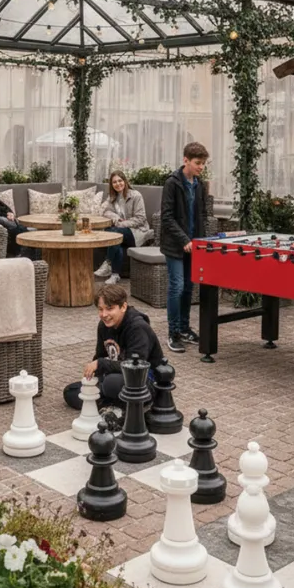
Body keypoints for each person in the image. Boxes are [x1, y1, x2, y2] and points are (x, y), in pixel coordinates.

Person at [63, 283, 163, 418]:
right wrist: (93, 375)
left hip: (144, 381)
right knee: (71, 392)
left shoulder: (138, 327)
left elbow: (136, 367)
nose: (104, 314)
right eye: (100, 309)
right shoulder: (103, 326)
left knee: (112, 383)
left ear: (123, 307)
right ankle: (113, 406)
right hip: (116, 376)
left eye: (109, 309)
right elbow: (100, 356)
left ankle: (117, 404)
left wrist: (101, 364)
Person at [161, 141, 209, 353]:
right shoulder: (172, 183)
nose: (201, 167)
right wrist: (184, 240)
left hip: (194, 245)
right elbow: (167, 218)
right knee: (177, 287)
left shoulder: (200, 184)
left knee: (189, 288)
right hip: (175, 246)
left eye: (203, 164)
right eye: (198, 163)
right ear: (186, 160)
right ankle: (173, 333)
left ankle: (184, 328)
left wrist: (200, 241)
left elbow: (202, 215)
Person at [94, 170, 151, 285]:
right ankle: (115, 275)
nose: (118, 184)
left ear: (125, 181)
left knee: (113, 232)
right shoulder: (112, 197)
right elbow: (106, 211)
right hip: (121, 232)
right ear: (112, 185)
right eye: (114, 182)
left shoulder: (135, 195)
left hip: (137, 233)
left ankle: (108, 263)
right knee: (116, 239)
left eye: (120, 180)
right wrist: (117, 218)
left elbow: (141, 219)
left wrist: (121, 224)